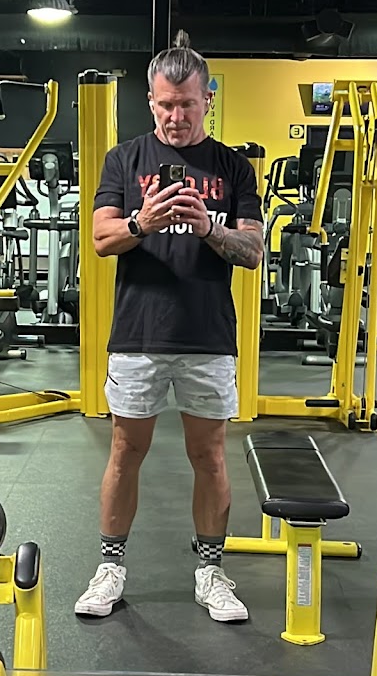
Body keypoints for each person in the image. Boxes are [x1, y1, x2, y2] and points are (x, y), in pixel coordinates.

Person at [75, 31, 264, 623]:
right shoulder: (124, 160)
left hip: (208, 334)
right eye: (165, 105)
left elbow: (253, 251)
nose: (176, 116)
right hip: (139, 333)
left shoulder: (233, 167)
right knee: (125, 450)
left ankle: (210, 571)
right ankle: (110, 567)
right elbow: (100, 238)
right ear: (150, 101)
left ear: (207, 99)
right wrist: (142, 220)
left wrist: (209, 228)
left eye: (186, 104)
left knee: (209, 455)